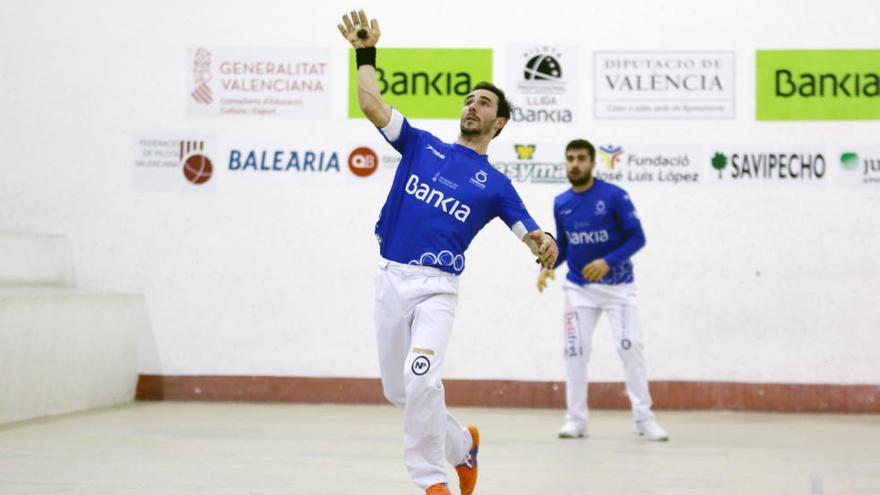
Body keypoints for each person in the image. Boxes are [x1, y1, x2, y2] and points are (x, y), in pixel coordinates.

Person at [338, 10, 559, 495]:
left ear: (498, 123)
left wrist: (544, 242)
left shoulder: (496, 185)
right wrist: (365, 54)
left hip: (437, 290)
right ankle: (463, 446)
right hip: (390, 278)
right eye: (469, 100)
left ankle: (432, 480)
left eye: (483, 103)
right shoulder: (421, 145)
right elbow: (372, 105)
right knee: (399, 392)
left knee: (420, 381)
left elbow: (530, 230)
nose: (472, 106)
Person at [536, 139, 668, 441]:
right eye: (570, 158)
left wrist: (607, 262)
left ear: (593, 163)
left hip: (618, 287)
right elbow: (565, 247)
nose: (575, 164)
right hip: (579, 290)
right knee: (574, 352)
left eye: (581, 158)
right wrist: (547, 267)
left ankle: (644, 419)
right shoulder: (561, 202)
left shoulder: (615, 196)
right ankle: (576, 419)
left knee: (629, 347)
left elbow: (637, 238)